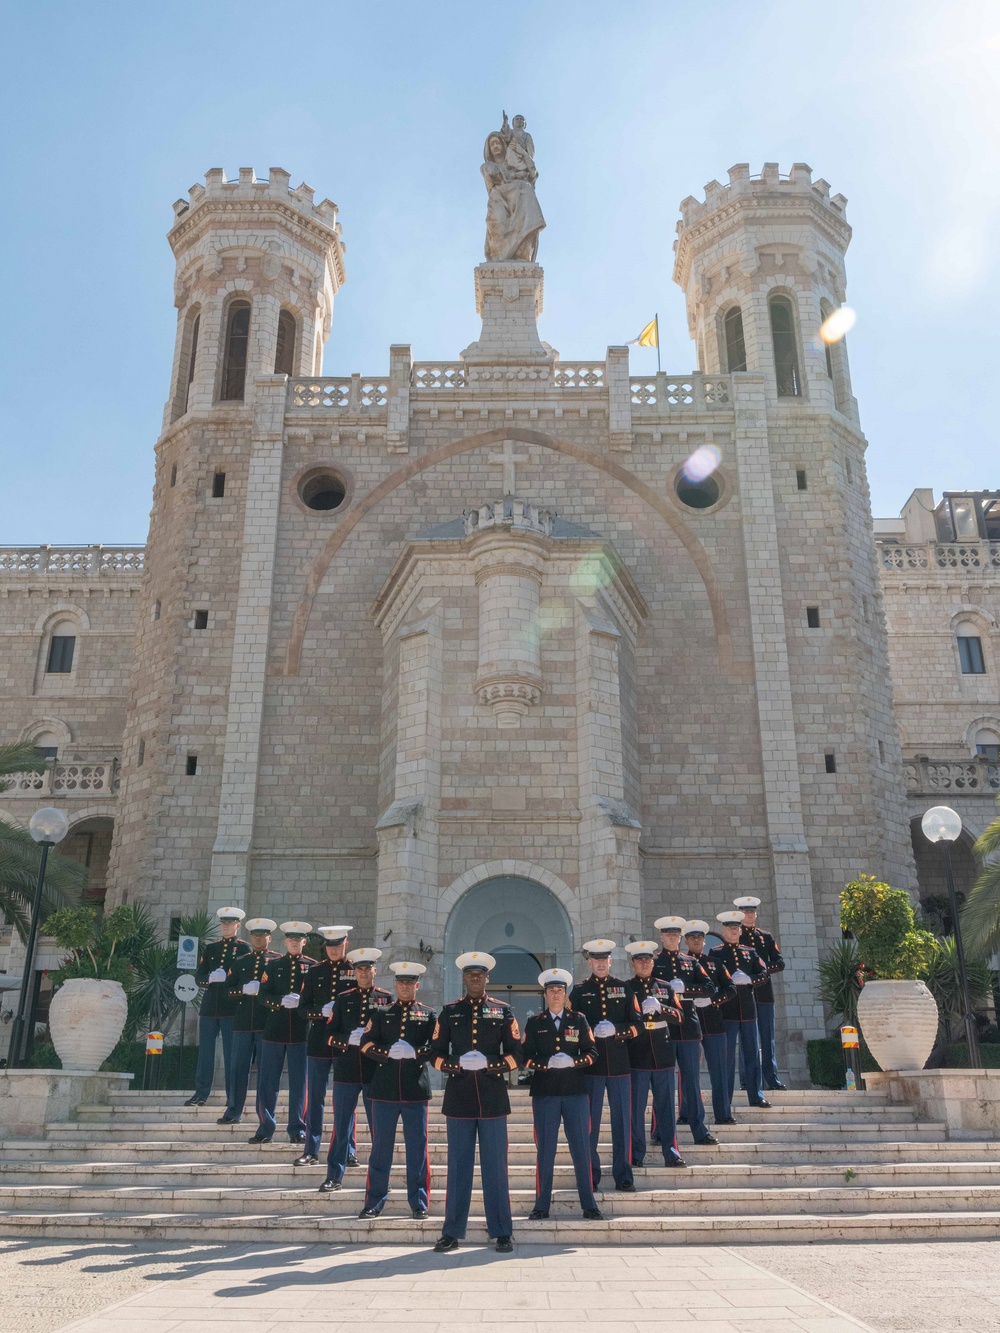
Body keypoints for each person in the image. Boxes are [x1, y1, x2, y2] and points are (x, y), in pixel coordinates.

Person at [429, 952, 520, 1253]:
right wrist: (455, 1064)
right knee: (458, 1169)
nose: (475, 978)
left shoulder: (503, 1011)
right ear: (464, 978)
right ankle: (452, 1231)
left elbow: (517, 1053)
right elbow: (434, 1053)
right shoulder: (449, 1012)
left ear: (487, 978)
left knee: (496, 1169)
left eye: (480, 974)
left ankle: (502, 1231)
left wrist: (491, 1063)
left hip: (493, 1100)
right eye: (470, 975)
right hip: (459, 1100)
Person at [521, 968, 603, 1221]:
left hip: (575, 1093)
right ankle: (541, 1205)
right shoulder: (535, 1022)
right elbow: (525, 1057)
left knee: (582, 1149)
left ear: (566, 994)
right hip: (545, 1094)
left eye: (560, 990)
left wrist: (573, 1061)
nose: (556, 994)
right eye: (551, 990)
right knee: (546, 1150)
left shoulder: (579, 1020)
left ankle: (589, 1205)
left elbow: (592, 1052)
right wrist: (545, 1064)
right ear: (545, 995)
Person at [358, 960, 436, 1221]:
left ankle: (419, 1203)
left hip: (415, 1091)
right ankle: (374, 1201)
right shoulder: (382, 1013)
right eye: (401, 982)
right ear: (395, 984)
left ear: (417, 985)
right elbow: (365, 1043)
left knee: (418, 1149)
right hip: (384, 1091)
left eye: (409, 983)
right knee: (381, 1149)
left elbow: (437, 1047)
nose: (404, 986)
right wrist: (385, 1053)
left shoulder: (428, 1014)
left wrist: (415, 1052)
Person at [318, 947, 392, 1193]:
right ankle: (334, 1176)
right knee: (341, 1127)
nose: (363, 973)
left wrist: (373, 1043)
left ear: (374, 971)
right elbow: (328, 1034)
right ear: (355, 972)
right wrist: (345, 1040)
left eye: (367, 969)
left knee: (378, 1130)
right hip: (346, 1070)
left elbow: (391, 1037)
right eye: (359, 969)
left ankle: (380, 1181)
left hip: (374, 1072)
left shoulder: (385, 998)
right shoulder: (343, 998)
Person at [570, 939, 641, 1192]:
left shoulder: (624, 988)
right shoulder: (579, 991)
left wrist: (618, 1030)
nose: (600, 964)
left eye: (604, 960)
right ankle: (591, 1175)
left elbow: (638, 1024)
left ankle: (623, 1175)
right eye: (596, 960)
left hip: (620, 1066)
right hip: (592, 1068)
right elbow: (570, 1027)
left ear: (610, 962)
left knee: (622, 1123)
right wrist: (589, 1032)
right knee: (590, 1125)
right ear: (590, 962)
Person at [651, 916, 719, 1146]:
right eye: (668, 934)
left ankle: (699, 1130)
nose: (672, 938)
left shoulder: (690, 961)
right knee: (663, 1084)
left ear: (680, 937)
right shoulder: (654, 961)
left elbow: (709, 988)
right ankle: (659, 1131)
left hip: (689, 1027)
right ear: (662, 937)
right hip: (664, 1029)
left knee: (692, 1083)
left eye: (675, 935)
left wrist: (687, 988)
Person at [250, 920, 316, 1145]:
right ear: (285, 941)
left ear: (304, 942)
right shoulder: (273, 965)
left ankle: (297, 1128)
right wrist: (279, 1001)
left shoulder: (313, 967)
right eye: (291, 939)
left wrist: (302, 1003)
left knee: (300, 1084)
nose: (294, 943)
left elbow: (317, 997)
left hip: (300, 1032)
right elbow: (262, 995)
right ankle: (265, 1128)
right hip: (274, 1031)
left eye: (298, 939)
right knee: (268, 1082)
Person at [295, 925, 355, 1166]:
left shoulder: (355, 970)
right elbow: (302, 1008)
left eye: (338, 946)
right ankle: (311, 1150)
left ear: (345, 944)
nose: (333, 950)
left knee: (346, 1101)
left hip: (344, 1044)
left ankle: (348, 1150)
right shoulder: (315, 971)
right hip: (319, 1041)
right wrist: (320, 1011)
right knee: (315, 1099)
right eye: (330, 946)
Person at [624, 940, 685, 1168]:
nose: (645, 964)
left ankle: (671, 1152)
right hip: (637, 1054)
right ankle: (636, 1153)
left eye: (648, 960)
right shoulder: (626, 988)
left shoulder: (665, 987)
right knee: (636, 1109)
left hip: (662, 1053)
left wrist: (662, 1008)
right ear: (633, 964)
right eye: (640, 960)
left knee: (666, 1108)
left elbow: (680, 1017)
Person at [189, 907, 251, 1109]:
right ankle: (200, 1094)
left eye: (229, 923)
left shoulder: (244, 949)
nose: (225, 926)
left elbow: (247, 977)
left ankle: (232, 1096)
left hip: (232, 1008)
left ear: (237, 925)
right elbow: (199, 977)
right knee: (205, 1053)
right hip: (209, 1007)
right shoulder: (211, 948)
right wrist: (209, 979)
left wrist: (230, 981)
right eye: (223, 923)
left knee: (232, 1054)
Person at [710, 911, 772, 1111]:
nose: (733, 931)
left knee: (752, 1055)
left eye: (736, 928)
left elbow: (764, 973)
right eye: (730, 928)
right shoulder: (716, 953)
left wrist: (749, 979)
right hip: (727, 1011)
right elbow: (712, 979)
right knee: (727, 1058)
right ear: (723, 931)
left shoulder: (750, 951)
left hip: (748, 1011)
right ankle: (725, 1099)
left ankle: (756, 1096)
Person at [224, 917, 280, 1124]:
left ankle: (264, 1116)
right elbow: (226, 990)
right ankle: (233, 1111)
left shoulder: (277, 961)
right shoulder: (241, 961)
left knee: (266, 1072)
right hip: (243, 1022)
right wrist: (242, 990)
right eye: (255, 935)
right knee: (238, 1069)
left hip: (267, 1023)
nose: (258, 939)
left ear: (269, 938)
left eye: (262, 935)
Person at [684, 920, 737, 1125]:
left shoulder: (715, 963)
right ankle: (686, 1113)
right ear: (686, 941)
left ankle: (723, 1114)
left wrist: (713, 1000)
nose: (696, 941)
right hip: (688, 1025)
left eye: (699, 938)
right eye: (692, 938)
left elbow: (730, 988)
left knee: (719, 1071)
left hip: (714, 1023)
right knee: (689, 1073)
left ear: (705, 941)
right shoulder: (680, 963)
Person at [736, 896, 787, 1092]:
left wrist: (763, 968)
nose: (749, 915)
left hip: (764, 993)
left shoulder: (765, 937)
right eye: (745, 912)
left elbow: (779, 963)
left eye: (752, 912)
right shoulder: (736, 938)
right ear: (739, 914)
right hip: (743, 995)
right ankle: (746, 1081)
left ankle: (771, 1078)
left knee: (767, 1038)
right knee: (746, 1040)